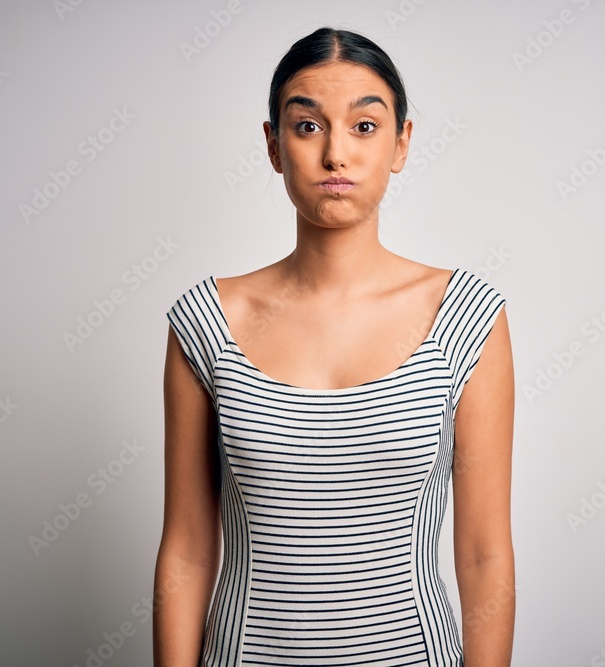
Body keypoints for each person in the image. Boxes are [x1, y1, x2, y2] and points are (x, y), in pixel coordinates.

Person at [154, 26, 515, 666]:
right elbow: (185, 548)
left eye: (365, 126)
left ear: (402, 143)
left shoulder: (466, 317)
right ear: (273, 145)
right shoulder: (207, 321)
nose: (336, 155)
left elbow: (485, 554)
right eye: (308, 126)